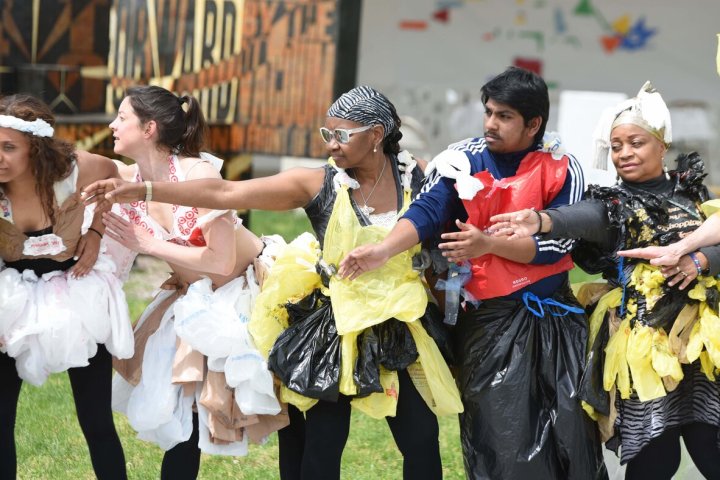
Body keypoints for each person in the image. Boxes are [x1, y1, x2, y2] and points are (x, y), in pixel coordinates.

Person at [82, 85, 463, 480]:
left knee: (420, 435)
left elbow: (453, 216)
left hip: (399, 321)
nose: (331, 145)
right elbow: (225, 191)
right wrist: (143, 189)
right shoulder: (316, 183)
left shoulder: (417, 174)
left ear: (377, 134)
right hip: (332, 326)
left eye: (342, 135)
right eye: (326, 134)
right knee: (321, 441)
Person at [338, 67, 606, 479]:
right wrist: (383, 249)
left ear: (533, 123)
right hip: (488, 324)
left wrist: (489, 244)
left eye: (504, 116)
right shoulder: (461, 158)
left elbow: (556, 245)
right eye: (488, 112)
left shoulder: (563, 167)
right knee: (501, 436)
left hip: (554, 319)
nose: (490, 124)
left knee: (570, 431)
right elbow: (428, 211)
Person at [488, 82, 720, 479]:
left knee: (711, 449)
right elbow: (584, 218)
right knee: (654, 459)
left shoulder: (693, 193)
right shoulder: (612, 204)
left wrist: (699, 260)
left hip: (706, 352)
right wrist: (543, 220)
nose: (624, 153)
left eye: (636, 142)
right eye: (616, 146)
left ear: (662, 145)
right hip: (647, 355)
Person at [99, 85, 288, 479]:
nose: (112, 125)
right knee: (183, 405)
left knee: (279, 404)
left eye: (122, 117)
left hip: (249, 288)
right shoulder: (128, 179)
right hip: (194, 296)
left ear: (149, 128)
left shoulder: (197, 173)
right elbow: (76, 165)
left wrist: (150, 243)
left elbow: (220, 262)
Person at [0, 94, 132, 479]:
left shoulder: (75, 171)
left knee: (95, 419)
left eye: (9, 147)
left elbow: (117, 178)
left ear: (36, 149)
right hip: (12, 298)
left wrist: (95, 229)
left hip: (76, 293)